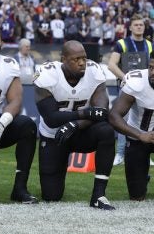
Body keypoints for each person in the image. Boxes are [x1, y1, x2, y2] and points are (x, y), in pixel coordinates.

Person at [34, 40, 116, 210]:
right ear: (63, 59)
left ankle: (98, 195)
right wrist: (85, 113)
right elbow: (51, 118)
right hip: (54, 134)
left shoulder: (94, 71)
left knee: (106, 131)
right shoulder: (48, 73)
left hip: (82, 131)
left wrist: (76, 124)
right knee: (51, 196)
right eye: (76, 59)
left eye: (84, 58)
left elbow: (101, 112)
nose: (82, 63)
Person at [0, 26, 38, 203]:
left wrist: (1, 124)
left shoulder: (9, 64)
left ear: (2, 43)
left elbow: (16, 101)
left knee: (27, 125)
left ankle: (20, 188)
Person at [108, 14, 153, 166]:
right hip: (128, 88)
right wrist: (125, 78)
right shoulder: (122, 43)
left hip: (147, 87)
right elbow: (112, 64)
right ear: (130, 27)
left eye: (141, 24)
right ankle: (120, 153)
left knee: (148, 122)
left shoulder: (149, 44)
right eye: (136, 25)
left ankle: (147, 154)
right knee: (125, 121)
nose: (139, 27)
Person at [109, 53, 154, 200]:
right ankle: (141, 176)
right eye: (151, 68)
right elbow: (114, 116)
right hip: (138, 137)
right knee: (136, 195)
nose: (152, 73)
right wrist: (140, 135)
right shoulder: (137, 82)